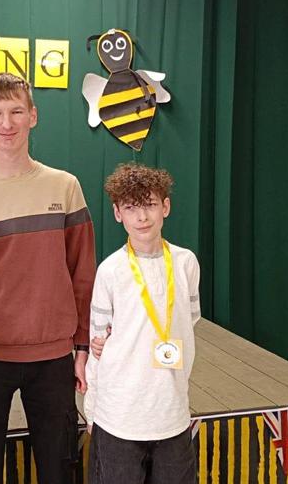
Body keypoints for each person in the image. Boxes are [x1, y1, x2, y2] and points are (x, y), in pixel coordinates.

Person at [0, 72, 96, 484]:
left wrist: (82, 347)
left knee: (58, 470)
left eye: (15, 112)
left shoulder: (66, 187)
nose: (6, 123)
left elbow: (83, 275)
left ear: (33, 116)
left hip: (54, 358)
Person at [84, 162, 200, 484]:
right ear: (117, 213)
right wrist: (92, 409)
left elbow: (189, 321)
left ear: (166, 206)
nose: (142, 217)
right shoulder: (110, 271)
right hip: (120, 416)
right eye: (130, 208)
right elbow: (98, 344)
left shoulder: (186, 263)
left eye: (149, 204)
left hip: (172, 413)